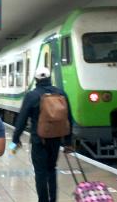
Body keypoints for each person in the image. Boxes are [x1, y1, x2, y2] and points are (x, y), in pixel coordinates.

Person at [10, 67, 73, 202]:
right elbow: (69, 118)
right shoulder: (61, 93)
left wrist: (15, 139)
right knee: (52, 169)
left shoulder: (32, 95)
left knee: (40, 172)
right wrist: (68, 142)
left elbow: (22, 119)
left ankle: (43, 200)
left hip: (39, 140)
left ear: (36, 79)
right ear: (50, 78)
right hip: (56, 139)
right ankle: (53, 199)